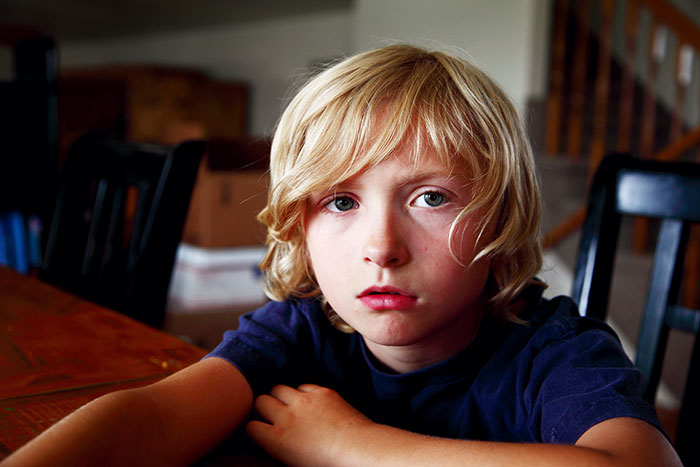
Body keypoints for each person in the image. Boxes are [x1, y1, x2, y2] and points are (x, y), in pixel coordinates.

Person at [4, 44, 680, 466]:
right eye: (340, 201)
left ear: (499, 218)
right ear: (299, 223)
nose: (381, 248)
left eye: (430, 198)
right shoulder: (298, 329)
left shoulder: (556, 351)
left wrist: (351, 446)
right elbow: (150, 417)